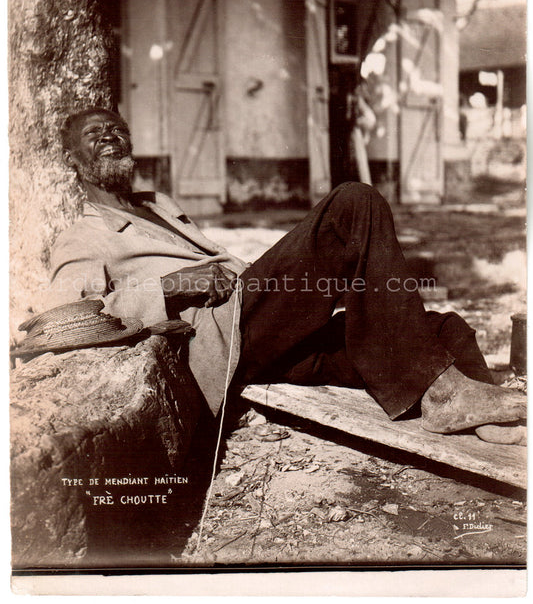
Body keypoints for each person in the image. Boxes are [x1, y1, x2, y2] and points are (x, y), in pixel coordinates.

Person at [45, 107, 526, 445]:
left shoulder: (159, 205)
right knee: (353, 202)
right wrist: (171, 287)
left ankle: (474, 411)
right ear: (73, 161)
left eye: (117, 130)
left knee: (442, 327)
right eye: (94, 134)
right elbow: (72, 320)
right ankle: (443, 396)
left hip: (265, 327)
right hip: (225, 335)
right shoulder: (81, 237)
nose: (110, 137)